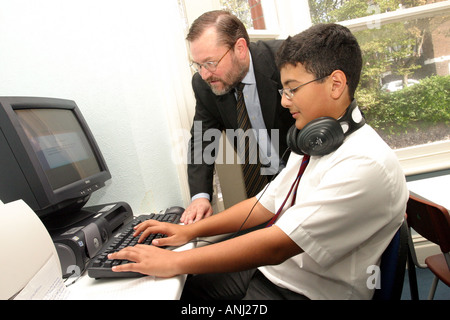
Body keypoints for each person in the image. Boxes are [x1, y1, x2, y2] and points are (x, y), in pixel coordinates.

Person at [108, 23, 409, 300]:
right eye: (283, 89)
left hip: (307, 290)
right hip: (278, 270)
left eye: (292, 89)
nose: (284, 100)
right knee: (190, 291)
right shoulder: (315, 142)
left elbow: (278, 244)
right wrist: (191, 231)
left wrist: (175, 260)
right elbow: (265, 202)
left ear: (336, 84)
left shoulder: (364, 164)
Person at [182, 10, 294, 224]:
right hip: (265, 192)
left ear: (240, 48)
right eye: (198, 65)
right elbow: (202, 139)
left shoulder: (286, 60)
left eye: (210, 63)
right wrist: (199, 197)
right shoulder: (204, 85)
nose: (204, 74)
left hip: (306, 176)